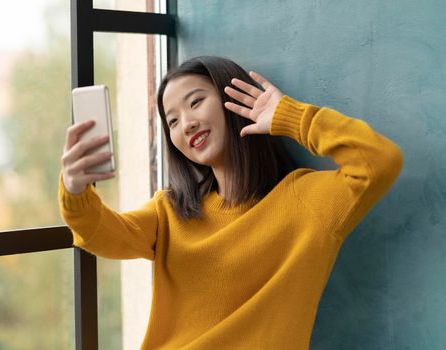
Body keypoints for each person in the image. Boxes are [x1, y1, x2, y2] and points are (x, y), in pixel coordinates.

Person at [59, 56, 403, 349]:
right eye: (173, 120)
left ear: (234, 101)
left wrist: (291, 117)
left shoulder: (306, 201)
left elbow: (378, 161)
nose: (187, 123)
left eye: (195, 102)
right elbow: (100, 232)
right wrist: (75, 189)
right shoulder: (170, 211)